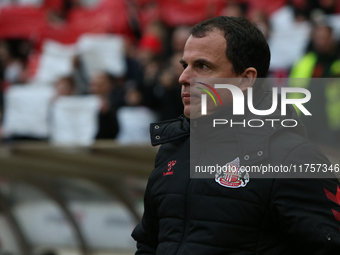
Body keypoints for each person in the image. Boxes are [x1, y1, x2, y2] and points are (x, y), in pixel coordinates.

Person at [132, 16, 340, 255]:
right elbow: (148, 244)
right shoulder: (173, 150)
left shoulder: (293, 157)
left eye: (202, 66)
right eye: (184, 65)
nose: (184, 78)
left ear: (246, 79)